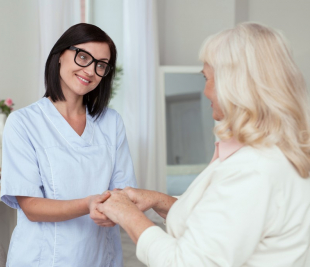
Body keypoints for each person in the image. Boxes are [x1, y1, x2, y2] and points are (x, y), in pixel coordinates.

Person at [97, 22, 310, 266]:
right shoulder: (267, 154)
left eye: (207, 78)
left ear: (233, 85)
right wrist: (158, 200)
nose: (205, 91)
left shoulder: (253, 169)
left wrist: (128, 215)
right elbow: (218, 223)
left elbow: (187, 262)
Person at [0, 23, 137, 266]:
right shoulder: (23, 123)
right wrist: (89, 204)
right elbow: (31, 206)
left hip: (99, 257)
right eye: (83, 56)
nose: (90, 70)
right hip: (42, 259)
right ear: (60, 56)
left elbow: (123, 192)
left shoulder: (111, 122)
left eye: (101, 65)